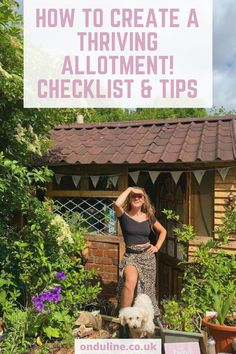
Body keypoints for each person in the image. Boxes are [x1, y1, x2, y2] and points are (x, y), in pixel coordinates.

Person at [114, 186, 167, 318]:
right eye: (134, 196)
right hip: (131, 256)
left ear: (144, 200)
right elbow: (116, 204)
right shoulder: (123, 215)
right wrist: (129, 189)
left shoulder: (149, 217)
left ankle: (145, 320)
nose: (137, 198)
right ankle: (124, 319)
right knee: (130, 281)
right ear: (130, 198)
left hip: (147, 256)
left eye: (140, 196)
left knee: (147, 290)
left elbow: (163, 231)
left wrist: (157, 247)